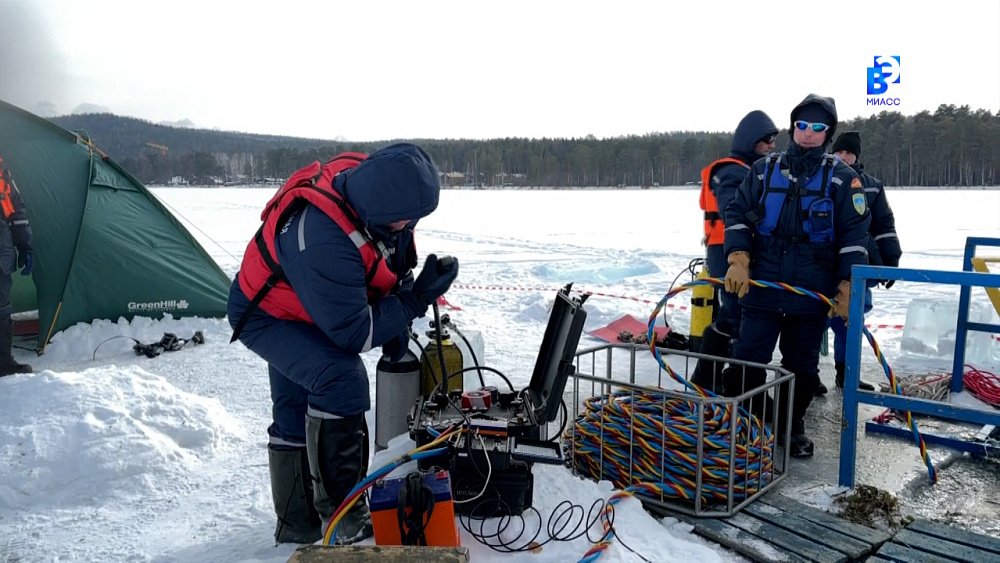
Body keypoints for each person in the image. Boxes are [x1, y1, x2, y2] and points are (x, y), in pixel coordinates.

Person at [227, 143, 459, 545]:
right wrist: (415, 299)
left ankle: (298, 527)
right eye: (408, 219)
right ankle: (343, 519)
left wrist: (400, 305)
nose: (410, 225)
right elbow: (355, 334)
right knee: (340, 379)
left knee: (298, 406)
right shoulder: (321, 238)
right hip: (269, 315)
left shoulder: (369, 187)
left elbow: (390, 257)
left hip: (311, 302)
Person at [721, 94, 871, 458]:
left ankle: (790, 426)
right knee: (747, 358)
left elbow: (854, 237)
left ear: (828, 134)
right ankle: (749, 420)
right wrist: (738, 256)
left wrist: (848, 284)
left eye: (817, 128)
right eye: (802, 125)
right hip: (762, 288)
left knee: (801, 368)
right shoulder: (763, 170)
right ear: (793, 128)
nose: (807, 133)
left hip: (810, 293)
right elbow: (737, 212)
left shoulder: (843, 180)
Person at [692, 110, 778, 391]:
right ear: (750, 140)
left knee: (734, 315)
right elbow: (733, 211)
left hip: (739, 251)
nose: (771, 146)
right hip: (728, 253)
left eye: (773, 141)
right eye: (766, 140)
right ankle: (713, 378)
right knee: (736, 314)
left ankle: (712, 377)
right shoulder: (731, 172)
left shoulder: (754, 170)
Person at [814, 131, 902, 395]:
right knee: (813, 322)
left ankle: (846, 375)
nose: (843, 157)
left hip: (856, 267)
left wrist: (891, 260)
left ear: (856, 156)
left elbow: (884, 224)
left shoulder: (871, 186)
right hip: (820, 264)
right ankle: (809, 375)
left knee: (850, 324)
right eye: (838, 152)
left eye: (848, 153)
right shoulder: (818, 180)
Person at [0, 156, 33, 377]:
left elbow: (16, 212)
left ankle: (3, 363)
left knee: (1, 308)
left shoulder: (3, 173)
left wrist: (25, 246)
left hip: (1, 252)